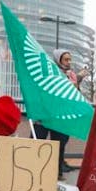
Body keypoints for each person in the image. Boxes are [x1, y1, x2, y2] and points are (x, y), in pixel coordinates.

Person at [34, 49, 84, 177]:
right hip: (44, 115)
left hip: (61, 116)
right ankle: (34, 172)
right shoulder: (49, 72)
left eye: (69, 59)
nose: (68, 62)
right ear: (58, 60)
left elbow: (74, 95)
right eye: (65, 59)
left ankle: (57, 174)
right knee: (37, 143)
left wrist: (78, 80)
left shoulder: (71, 75)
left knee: (59, 147)